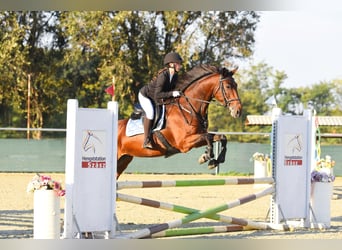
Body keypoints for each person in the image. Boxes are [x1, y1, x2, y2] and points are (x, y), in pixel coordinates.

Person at [138, 52, 183, 149]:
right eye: (178, 63)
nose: (180, 66)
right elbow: (158, 94)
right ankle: (146, 140)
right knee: (150, 113)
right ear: (171, 64)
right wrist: (172, 94)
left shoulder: (175, 76)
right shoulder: (164, 75)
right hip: (146, 96)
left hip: (156, 98)